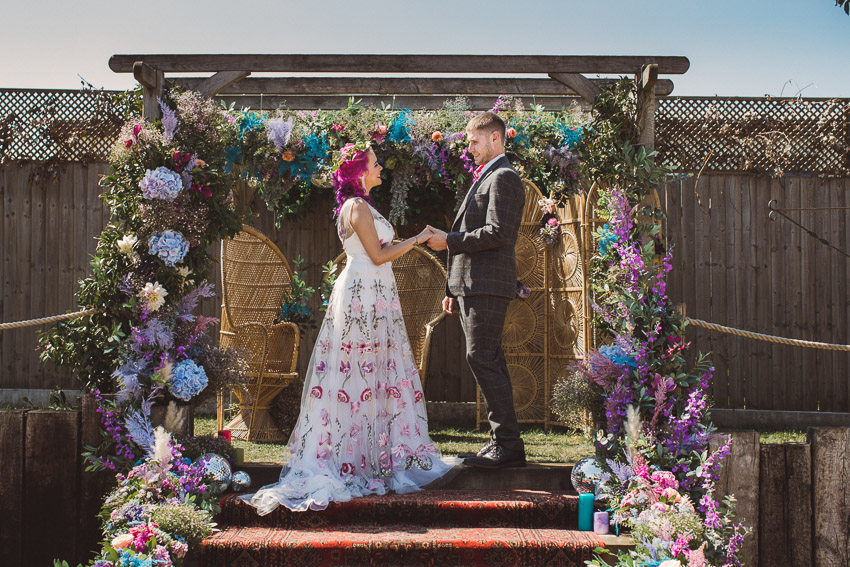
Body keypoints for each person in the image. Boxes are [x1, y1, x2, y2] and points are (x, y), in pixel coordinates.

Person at [243, 143, 456, 514]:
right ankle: (352, 460)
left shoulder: (362, 206)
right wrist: (418, 239)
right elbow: (378, 256)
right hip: (364, 295)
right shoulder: (356, 207)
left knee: (372, 374)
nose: (380, 170)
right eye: (374, 165)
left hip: (374, 292)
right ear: (359, 171)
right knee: (357, 375)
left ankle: (372, 455)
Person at [426, 111, 527, 469]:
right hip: (472, 285)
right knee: (486, 358)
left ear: (495, 139)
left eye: (474, 141)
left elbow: (499, 233)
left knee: (481, 358)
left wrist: (448, 240)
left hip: (487, 284)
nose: (469, 148)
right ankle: (501, 441)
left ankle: (509, 445)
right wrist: (453, 289)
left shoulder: (504, 177)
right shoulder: (486, 176)